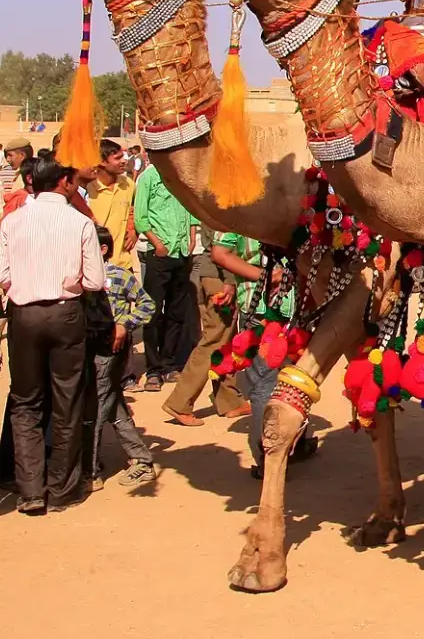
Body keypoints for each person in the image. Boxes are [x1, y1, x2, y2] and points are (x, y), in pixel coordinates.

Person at [0, 157, 106, 514]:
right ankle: (61, 489)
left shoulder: (12, 222)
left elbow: (3, 274)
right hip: (66, 314)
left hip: (25, 315)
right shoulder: (80, 222)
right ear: (62, 182)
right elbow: (94, 281)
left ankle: (30, 490)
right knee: (67, 399)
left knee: (26, 400)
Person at [213, 229, 311, 477]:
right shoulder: (237, 206)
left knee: (293, 381)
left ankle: (289, 448)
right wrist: (268, 277)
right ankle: (269, 459)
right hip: (265, 309)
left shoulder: (296, 201)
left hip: (295, 307)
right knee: (268, 385)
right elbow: (220, 253)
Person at [161, 223, 249, 425]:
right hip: (220, 277)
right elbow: (223, 242)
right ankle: (179, 402)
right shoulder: (225, 204)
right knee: (213, 341)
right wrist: (229, 280)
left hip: (212, 275)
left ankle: (229, 401)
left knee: (226, 342)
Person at [90, 225, 157, 488]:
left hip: (110, 351)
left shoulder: (118, 275)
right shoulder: (81, 277)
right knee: (113, 405)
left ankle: (91, 470)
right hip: (89, 350)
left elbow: (148, 305)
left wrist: (124, 323)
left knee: (97, 407)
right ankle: (141, 459)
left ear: (103, 249)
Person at [132, 155, 197, 392]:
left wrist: (191, 236)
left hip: (181, 252)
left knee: (177, 311)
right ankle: (153, 369)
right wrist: (157, 244)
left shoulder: (179, 177)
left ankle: (170, 364)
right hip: (159, 253)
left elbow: (190, 208)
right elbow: (141, 217)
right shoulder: (148, 177)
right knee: (152, 311)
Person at [85, 139, 137, 273]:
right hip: (94, 265)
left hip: (123, 265)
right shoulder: (88, 188)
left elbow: (135, 210)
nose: (124, 161)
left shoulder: (128, 184)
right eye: (117, 158)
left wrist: (134, 231)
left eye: (123, 156)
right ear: (102, 162)